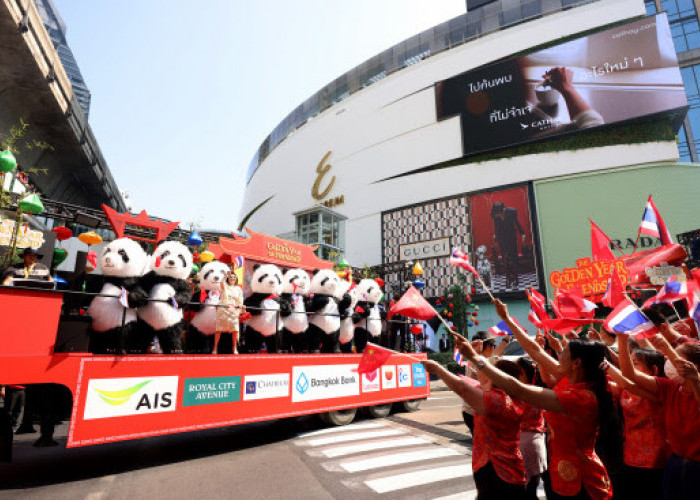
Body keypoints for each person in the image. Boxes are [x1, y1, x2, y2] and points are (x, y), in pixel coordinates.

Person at [457, 299, 614, 500]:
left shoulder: (581, 397)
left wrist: (476, 359)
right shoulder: (570, 379)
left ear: (576, 363)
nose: (559, 354)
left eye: (564, 352)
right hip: (563, 474)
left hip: (581, 481)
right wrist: (507, 319)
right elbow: (536, 351)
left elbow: (518, 389)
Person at [423, 357, 527, 499]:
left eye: (493, 372)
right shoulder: (510, 396)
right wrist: (474, 355)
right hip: (501, 467)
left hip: (498, 470)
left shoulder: (500, 400)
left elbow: (463, 389)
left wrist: (438, 369)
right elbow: (477, 380)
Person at [617, 329, 700, 500]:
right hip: (676, 462)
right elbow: (629, 374)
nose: (668, 363)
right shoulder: (670, 388)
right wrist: (622, 339)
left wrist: (695, 380)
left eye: (674, 359)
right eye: (668, 358)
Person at [604, 342, 670, 500]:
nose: (627, 368)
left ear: (654, 370)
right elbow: (607, 385)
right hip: (631, 456)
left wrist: (608, 365)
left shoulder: (659, 390)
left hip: (655, 459)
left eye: (635, 364)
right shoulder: (626, 391)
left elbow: (627, 382)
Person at [516, 357, 548, 500]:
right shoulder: (538, 391)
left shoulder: (520, 393)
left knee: (526, 491)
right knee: (531, 489)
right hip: (536, 443)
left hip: (526, 443)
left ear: (523, 373)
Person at [490, 202, 525, 289]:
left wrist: (522, 233)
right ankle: (508, 278)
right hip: (502, 238)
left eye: (498, 213)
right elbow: (497, 227)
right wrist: (495, 236)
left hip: (511, 237)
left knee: (514, 257)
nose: (497, 215)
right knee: (505, 258)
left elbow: (517, 223)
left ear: (503, 210)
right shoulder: (495, 215)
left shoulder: (512, 212)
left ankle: (516, 277)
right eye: (496, 214)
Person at [215, 271, 244, 354]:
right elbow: (221, 283)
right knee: (219, 329)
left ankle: (234, 348)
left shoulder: (238, 288)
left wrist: (241, 307)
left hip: (233, 309)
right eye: (230, 277)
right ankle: (215, 348)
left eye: (234, 277)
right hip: (224, 308)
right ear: (228, 278)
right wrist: (225, 276)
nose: (232, 278)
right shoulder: (225, 286)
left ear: (236, 279)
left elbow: (240, 299)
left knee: (235, 329)